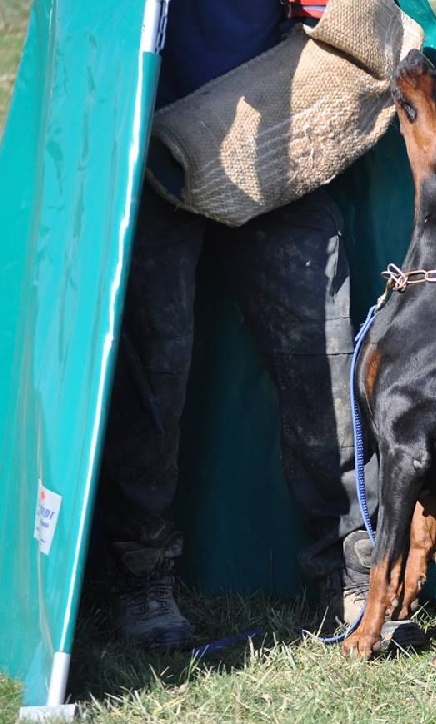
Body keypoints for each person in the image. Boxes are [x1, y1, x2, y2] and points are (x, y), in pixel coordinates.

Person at [94, 0, 380, 650]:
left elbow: (333, 14)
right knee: (153, 376)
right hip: (143, 140)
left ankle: (352, 575)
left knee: (328, 357)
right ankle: (142, 581)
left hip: (269, 140)